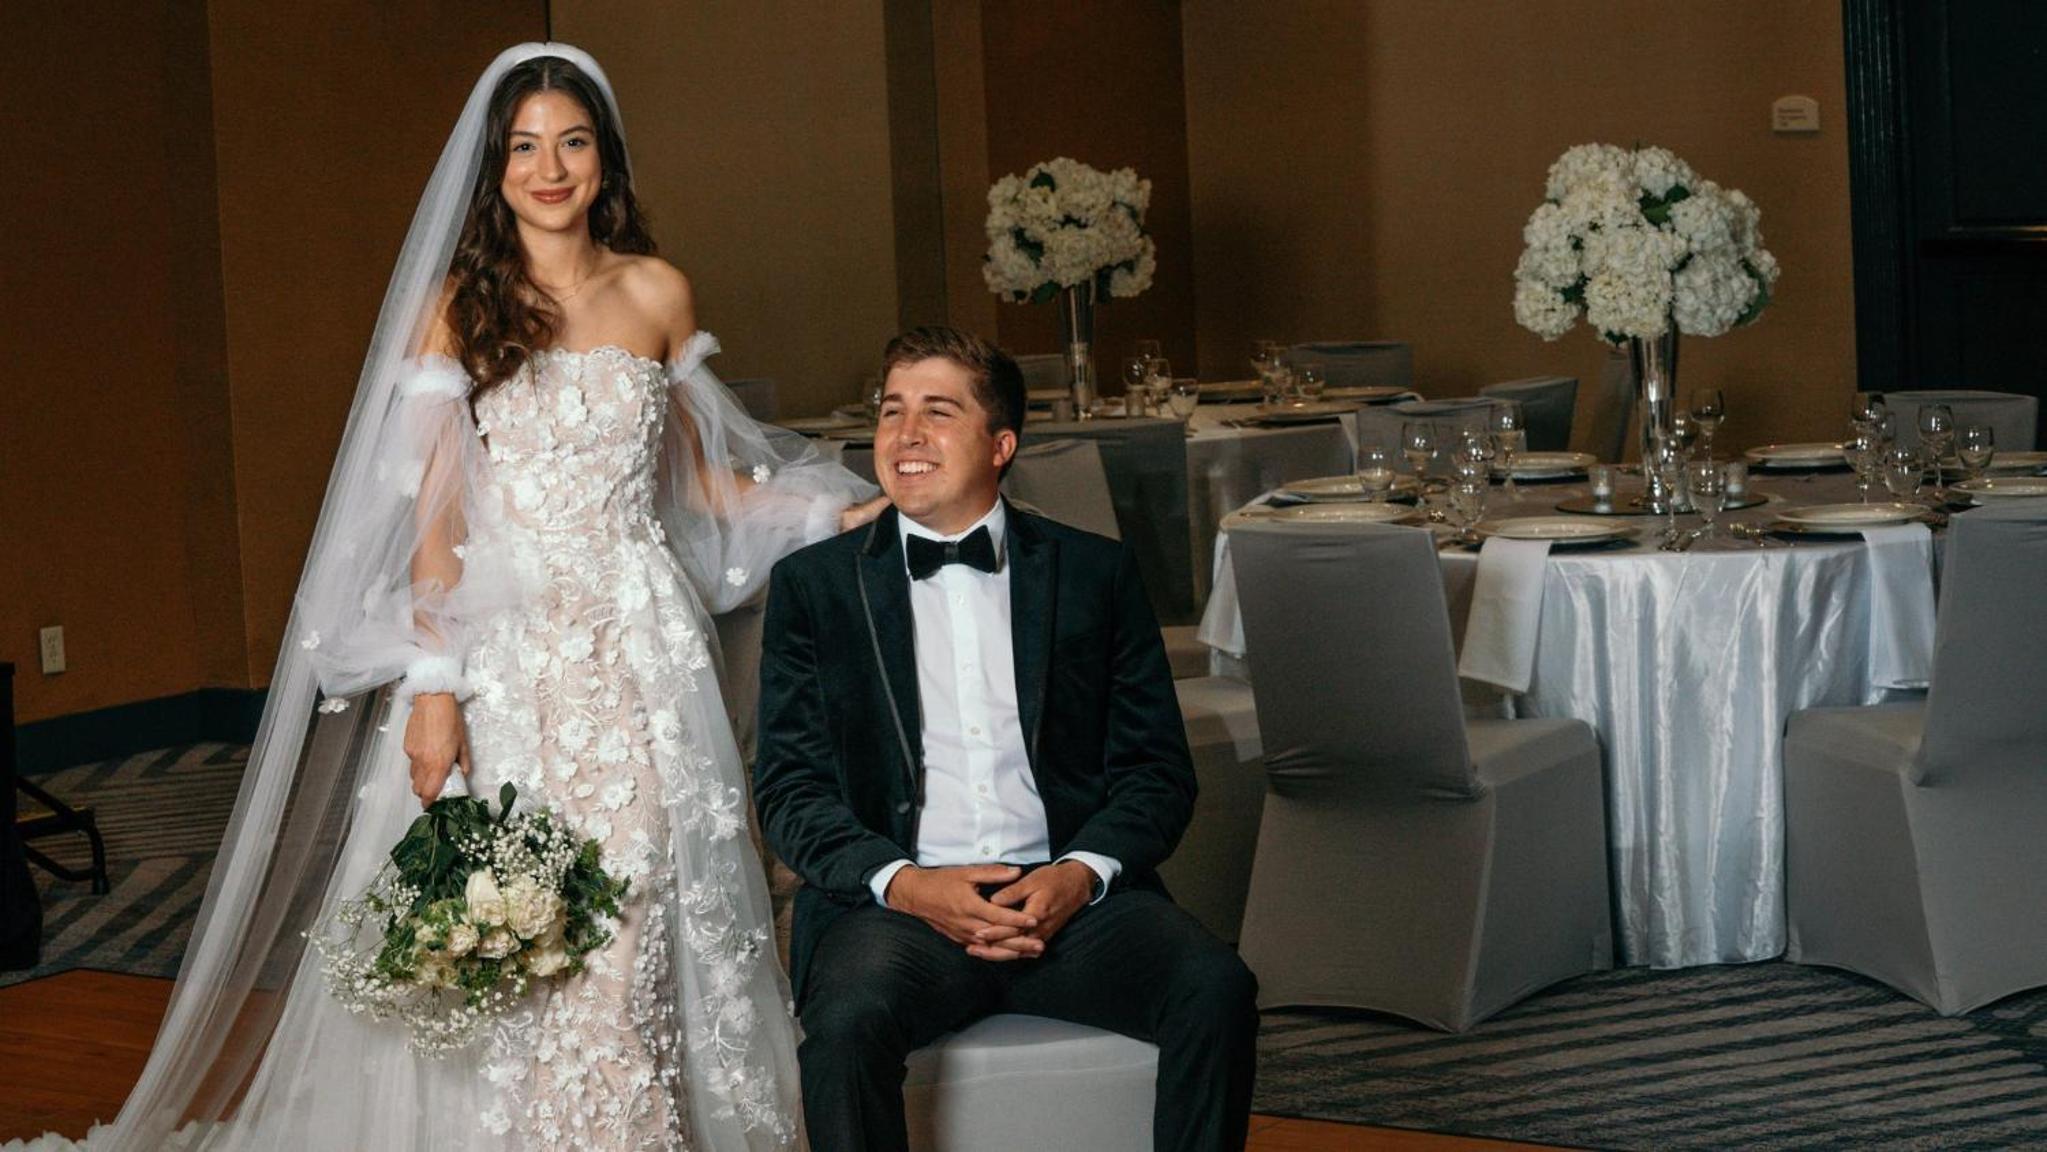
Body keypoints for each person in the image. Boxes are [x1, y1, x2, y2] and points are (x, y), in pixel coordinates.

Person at [15, 43, 881, 1152]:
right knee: (521, 942)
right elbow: (438, 522)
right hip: (506, 657)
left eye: (572, 142)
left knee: (631, 930)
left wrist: (831, 516)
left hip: (638, 658)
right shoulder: (458, 306)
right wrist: (434, 690)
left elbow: (698, 484)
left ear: (604, 157)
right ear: (495, 168)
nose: (549, 169)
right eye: (524, 148)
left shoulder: (656, 290)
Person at [753, 326, 1259, 1152]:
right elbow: (789, 790)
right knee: (845, 1029)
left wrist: (1078, 875)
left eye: (937, 412)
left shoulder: (1094, 573)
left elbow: (1155, 772)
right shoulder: (816, 587)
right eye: (891, 411)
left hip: (1069, 899)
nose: (905, 435)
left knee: (1214, 987)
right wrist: (907, 885)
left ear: (1000, 446)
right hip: (897, 910)